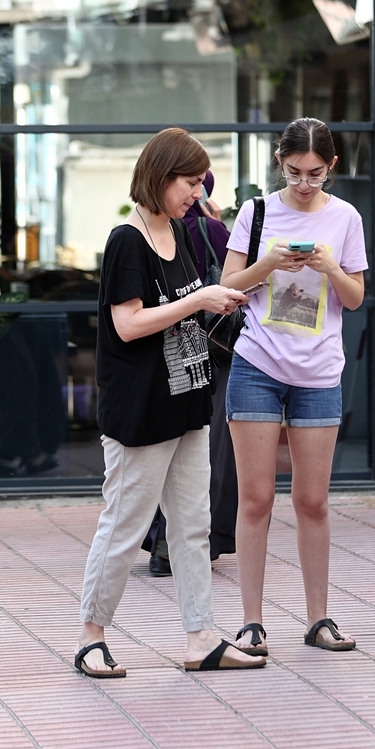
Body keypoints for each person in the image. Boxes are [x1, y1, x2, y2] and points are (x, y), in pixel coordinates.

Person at [75, 128, 264, 677]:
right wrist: (199, 299)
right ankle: (91, 636)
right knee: (126, 524)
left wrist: (213, 303)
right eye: (188, 181)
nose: (197, 191)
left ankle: (200, 636)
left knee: (192, 526)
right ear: (160, 178)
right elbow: (127, 324)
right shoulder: (126, 241)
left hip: (185, 402)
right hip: (140, 412)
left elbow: (178, 313)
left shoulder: (179, 234)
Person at [220, 118, 369, 655]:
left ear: (332, 167)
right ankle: (252, 622)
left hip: (319, 372)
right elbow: (226, 285)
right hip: (257, 363)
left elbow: (354, 299)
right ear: (278, 162)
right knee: (255, 498)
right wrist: (268, 263)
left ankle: (318, 620)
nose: (305, 184)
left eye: (315, 173)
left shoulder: (345, 217)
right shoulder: (256, 211)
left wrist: (328, 265)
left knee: (312, 501)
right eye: (294, 172)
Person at [141, 169, 240, 574]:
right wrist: (217, 222)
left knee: (170, 439)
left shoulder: (154, 230)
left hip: (166, 344)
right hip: (210, 346)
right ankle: (194, 541)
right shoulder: (212, 230)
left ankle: (161, 540)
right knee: (207, 443)